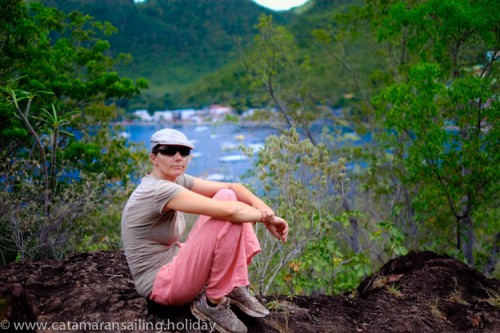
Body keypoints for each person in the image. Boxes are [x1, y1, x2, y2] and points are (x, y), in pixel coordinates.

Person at [121, 128, 289, 333]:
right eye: (169, 151)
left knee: (226, 194)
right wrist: (267, 219)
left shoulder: (174, 179)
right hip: (161, 284)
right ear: (154, 158)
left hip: (174, 261)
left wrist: (265, 210)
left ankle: (234, 285)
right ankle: (212, 303)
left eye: (184, 152)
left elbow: (232, 186)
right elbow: (231, 211)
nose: (178, 157)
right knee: (230, 211)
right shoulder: (158, 190)